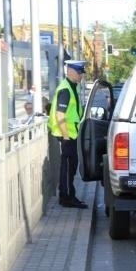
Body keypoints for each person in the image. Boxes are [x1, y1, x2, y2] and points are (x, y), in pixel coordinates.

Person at [48, 60, 87, 209]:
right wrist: (65, 136)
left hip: (71, 135)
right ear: (70, 71)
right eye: (79, 72)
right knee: (68, 168)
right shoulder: (65, 89)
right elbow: (59, 115)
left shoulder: (72, 87)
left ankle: (68, 195)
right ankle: (67, 198)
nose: (81, 76)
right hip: (67, 135)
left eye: (81, 73)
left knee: (70, 167)